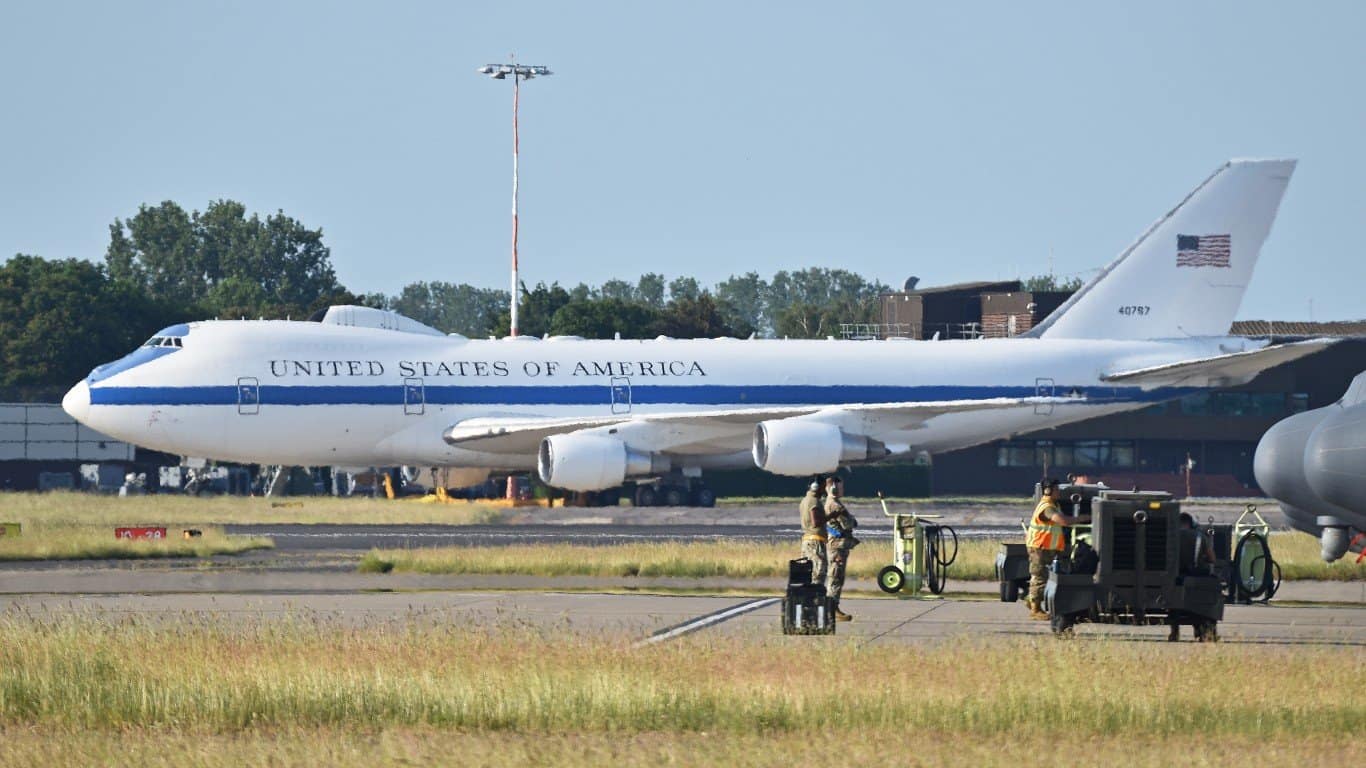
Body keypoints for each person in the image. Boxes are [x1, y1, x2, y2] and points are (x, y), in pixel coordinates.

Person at [1025, 479, 1088, 620]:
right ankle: (1035, 610)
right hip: (1039, 547)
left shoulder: (1053, 504)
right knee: (1039, 577)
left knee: (1041, 576)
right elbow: (1063, 521)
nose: (1059, 492)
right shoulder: (1047, 507)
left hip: (1046, 547)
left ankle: (1031, 600)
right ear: (1048, 490)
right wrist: (1083, 518)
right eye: (1056, 489)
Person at [823, 476, 859, 622]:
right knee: (836, 577)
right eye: (840, 487)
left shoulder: (834, 503)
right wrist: (850, 519)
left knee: (837, 577)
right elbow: (849, 524)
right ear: (833, 488)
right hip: (837, 546)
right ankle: (832, 608)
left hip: (838, 545)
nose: (842, 490)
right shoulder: (835, 505)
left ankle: (833, 607)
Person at [798, 479, 828, 586]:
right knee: (818, 572)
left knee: (807, 574)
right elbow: (815, 522)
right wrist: (830, 517)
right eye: (824, 486)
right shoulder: (814, 501)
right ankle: (815, 597)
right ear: (817, 487)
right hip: (815, 542)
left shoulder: (804, 500)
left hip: (807, 541)